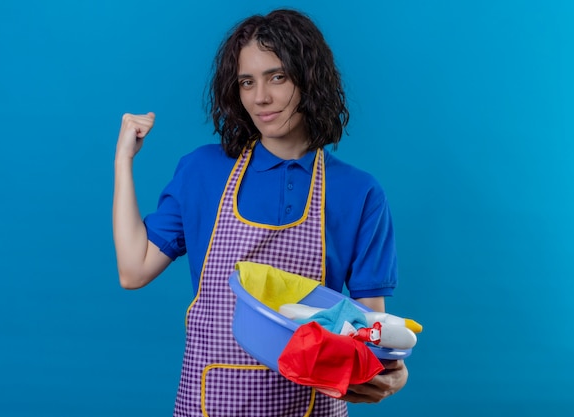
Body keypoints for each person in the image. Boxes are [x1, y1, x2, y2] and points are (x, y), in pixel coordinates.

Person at [113, 8, 408, 416]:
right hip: (209, 403)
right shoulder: (203, 171)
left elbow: (368, 331)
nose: (260, 97)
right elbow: (134, 270)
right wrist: (123, 161)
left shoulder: (358, 193)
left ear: (309, 79)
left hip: (309, 406)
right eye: (246, 82)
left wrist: (391, 372)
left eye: (277, 77)